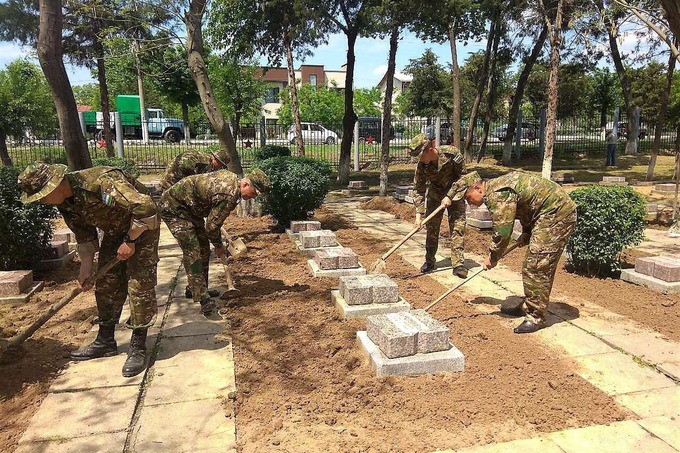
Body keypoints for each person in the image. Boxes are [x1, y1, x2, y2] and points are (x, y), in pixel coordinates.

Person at [18, 163, 160, 377]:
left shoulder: (100, 183)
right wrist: (86, 269)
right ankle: (105, 340)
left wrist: (130, 240)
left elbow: (147, 207)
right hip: (115, 230)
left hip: (142, 226)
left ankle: (139, 345)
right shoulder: (65, 203)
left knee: (139, 284)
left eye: (42, 195)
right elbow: (85, 236)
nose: (42, 201)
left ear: (55, 185)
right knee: (107, 282)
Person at [443, 171, 577, 334]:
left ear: (478, 188)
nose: (468, 202)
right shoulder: (495, 189)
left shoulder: (497, 195)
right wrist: (527, 231)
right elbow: (528, 203)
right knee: (534, 264)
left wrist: (492, 257)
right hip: (545, 213)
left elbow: (503, 233)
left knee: (536, 266)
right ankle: (531, 306)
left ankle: (536, 316)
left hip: (557, 214)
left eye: (467, 197)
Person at [159, 169, 270, 315]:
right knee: (193, 250)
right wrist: (218, 246)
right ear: (246, 184)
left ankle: (196, 288)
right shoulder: (229, 194)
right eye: (254, 193)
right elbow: (211, 227)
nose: (252, 197)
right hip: (174, 209)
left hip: (191, 209)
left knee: (204, 247)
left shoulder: (233, 181)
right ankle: (203, 298)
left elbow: (212, 219)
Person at [408, 133, 468, 278]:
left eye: (420, 156)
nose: (419, 160)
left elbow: (464, 178)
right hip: (435, 195)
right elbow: (419, 190)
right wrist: (418, 216)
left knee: (457, 228)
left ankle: (458, 264)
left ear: (429, 150)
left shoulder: (452, 154)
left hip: (456, 193)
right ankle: (429, 261)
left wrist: (450, 196)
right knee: (432, 229)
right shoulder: (421, 166)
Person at [160, 148, 230, 191]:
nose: (220, 167)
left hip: (179, 175)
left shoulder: (209, 162)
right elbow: (194, 180)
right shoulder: (203, 162)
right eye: (221, 164)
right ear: (215, 159)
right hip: (174, 176)